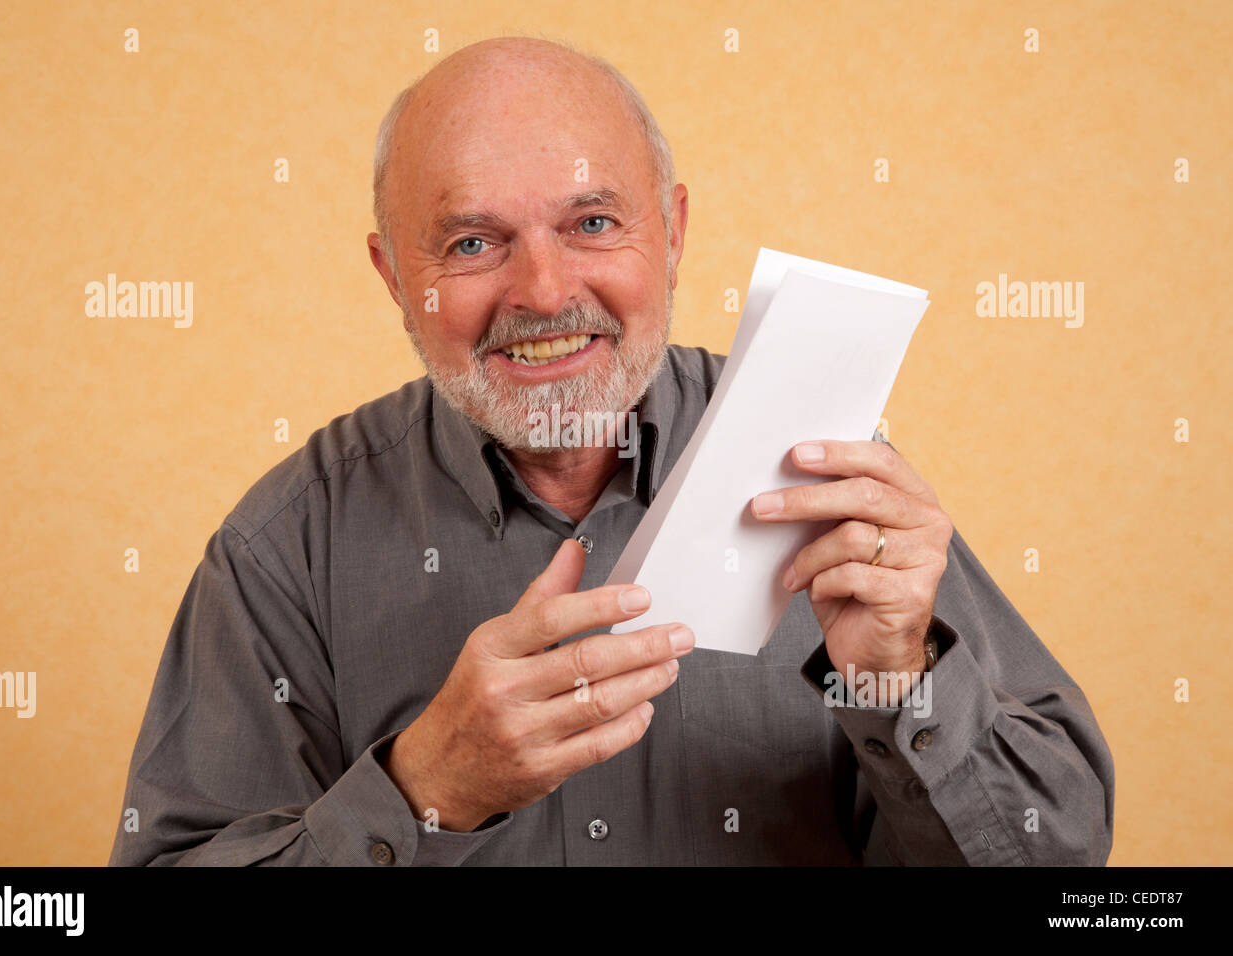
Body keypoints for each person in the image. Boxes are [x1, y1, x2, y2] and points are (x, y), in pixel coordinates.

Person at [109, 36, 1113, 866]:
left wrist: (899, 682)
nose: (545, 292)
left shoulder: (825, 469)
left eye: (592, 222)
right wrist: (423, 788)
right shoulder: (286, 547)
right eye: (471, 243)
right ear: (394, 276)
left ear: (671, 234)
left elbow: (1059, 864)